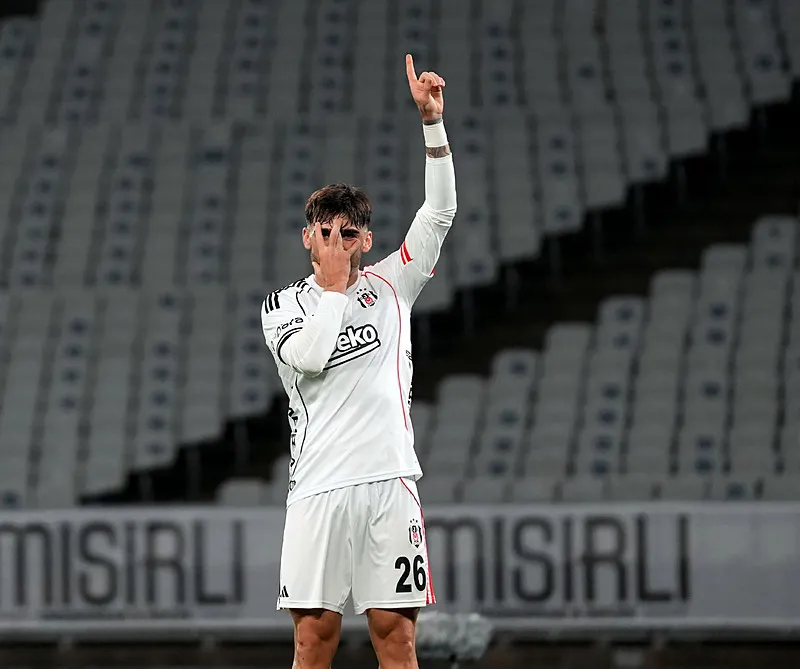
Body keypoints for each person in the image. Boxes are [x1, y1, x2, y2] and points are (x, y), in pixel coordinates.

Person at [261, 54, 456, 669]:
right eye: (326, 232)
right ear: (307, 237)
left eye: (349, 235)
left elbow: (439, 214)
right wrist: (333, 290)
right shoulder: (282, 306)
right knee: (311, 643)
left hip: (389, 484)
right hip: (318, 488)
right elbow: (312, 357)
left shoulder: (393, 284)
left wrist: (432, 125)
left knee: (396, 640)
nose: (337, 244)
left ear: (367, 240)